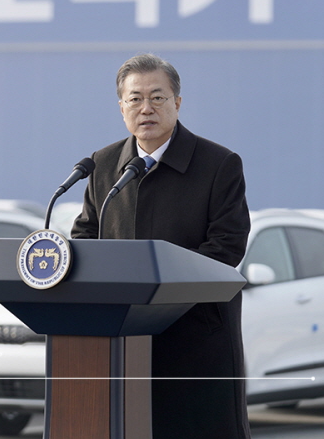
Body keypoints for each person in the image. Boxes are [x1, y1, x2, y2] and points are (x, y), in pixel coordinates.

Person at [71, 53, 251, 439]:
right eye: (135, 99)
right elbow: (84, 237)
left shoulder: (219, 164)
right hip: (122, 339)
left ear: (178, 103)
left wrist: (158, 295)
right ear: (121, 107)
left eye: (158, 97)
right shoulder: (103, 165)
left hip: (196, 340)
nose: (146, 108)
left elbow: (226, 247)